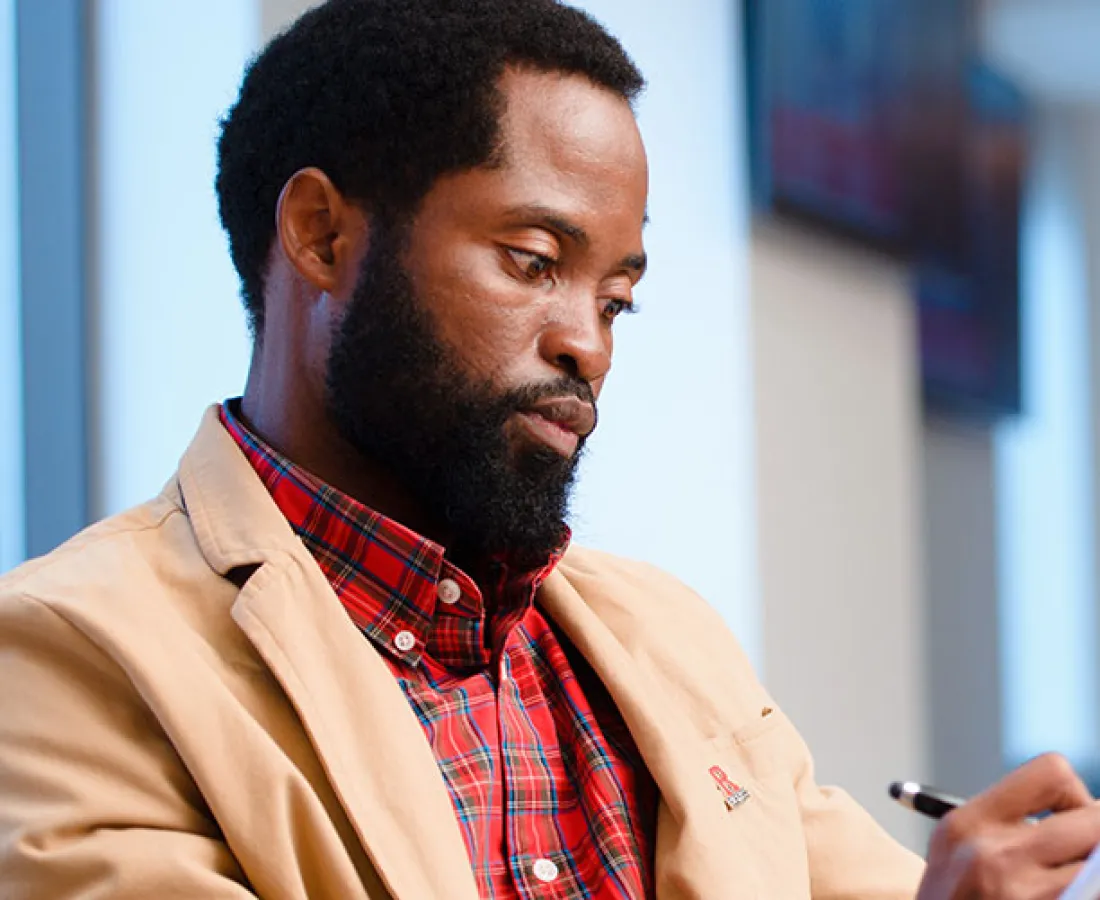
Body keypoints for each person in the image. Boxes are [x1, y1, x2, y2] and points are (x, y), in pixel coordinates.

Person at [0, 1, 1097, 897]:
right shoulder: (70, 653)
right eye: (533, 261)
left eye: (616, 298)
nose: (586, 343)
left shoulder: (665, 639)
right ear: (323, 236)